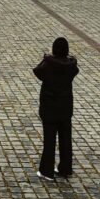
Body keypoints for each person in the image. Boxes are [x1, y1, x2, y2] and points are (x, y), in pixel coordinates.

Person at [33, 37, 79, 180]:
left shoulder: (48, 64)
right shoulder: (71, 65)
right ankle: (65, 168)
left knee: (49, 140)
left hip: (50, 109)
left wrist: (47, 56)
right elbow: (75, 67)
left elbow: (37, 71)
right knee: (66, 140)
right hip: (65, 108)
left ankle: (47, 171)